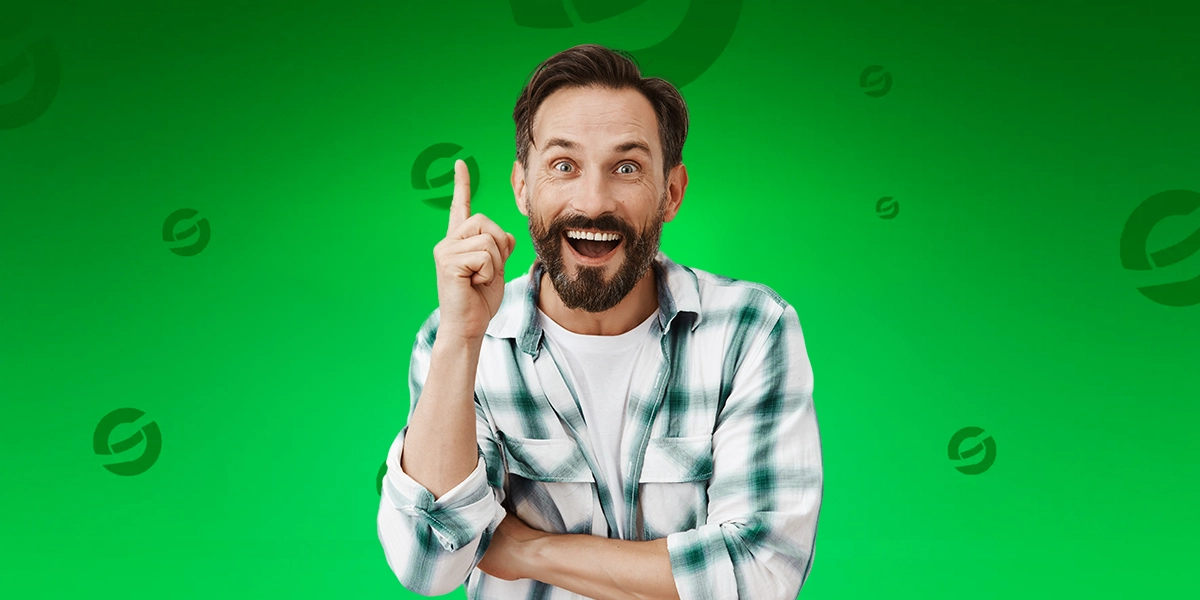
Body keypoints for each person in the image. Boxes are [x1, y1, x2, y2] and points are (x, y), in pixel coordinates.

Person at [377, 43, 824, 600]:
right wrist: (461, 339)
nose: (593, 201)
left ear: (671, 192)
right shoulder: (462, 343)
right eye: (564, 165)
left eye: (627, 167)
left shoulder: (750, 330)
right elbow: (429, 563)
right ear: (522, 186)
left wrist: (525, 549)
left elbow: (760, 574)